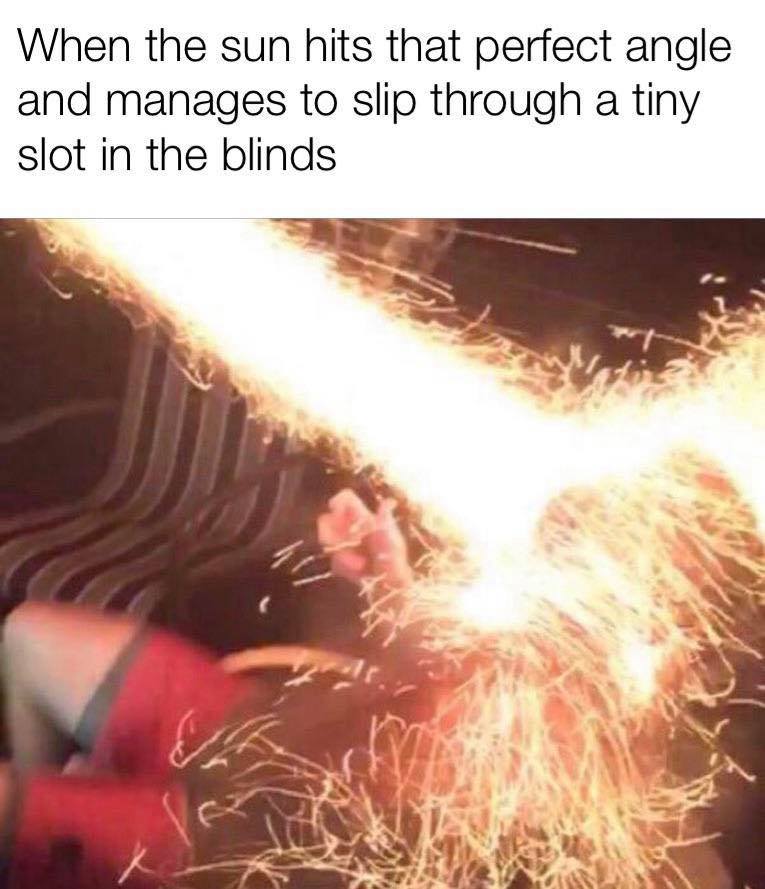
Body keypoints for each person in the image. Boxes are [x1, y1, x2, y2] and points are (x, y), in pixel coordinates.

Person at [0, 489, 412, 889]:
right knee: (30, 636)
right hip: (268, 732)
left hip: (260, 849)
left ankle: (52, 831)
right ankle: (40, 844)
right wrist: (388, 587)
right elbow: (420, 667)